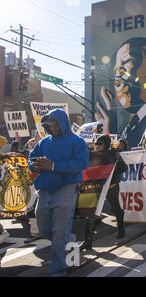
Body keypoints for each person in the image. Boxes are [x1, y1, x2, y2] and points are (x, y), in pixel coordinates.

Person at [28, 108, 89, 277]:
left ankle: (58, 270)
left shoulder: (77, 142)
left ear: (62, 122)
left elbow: (81, 164)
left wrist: (53, 166)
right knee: (44, 229)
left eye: (54, 123)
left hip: (66, 189)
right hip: (46, 189)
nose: (51, 127)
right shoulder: (43, 143)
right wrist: (34, 165)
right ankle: (70, 239)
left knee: (59, 232)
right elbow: (30, 159)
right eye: (48, 124)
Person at [95, 37, 146, 148]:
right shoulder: (132, 119)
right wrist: (108, 131)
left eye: (128, 62)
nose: (118, 77)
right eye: (116, 70)